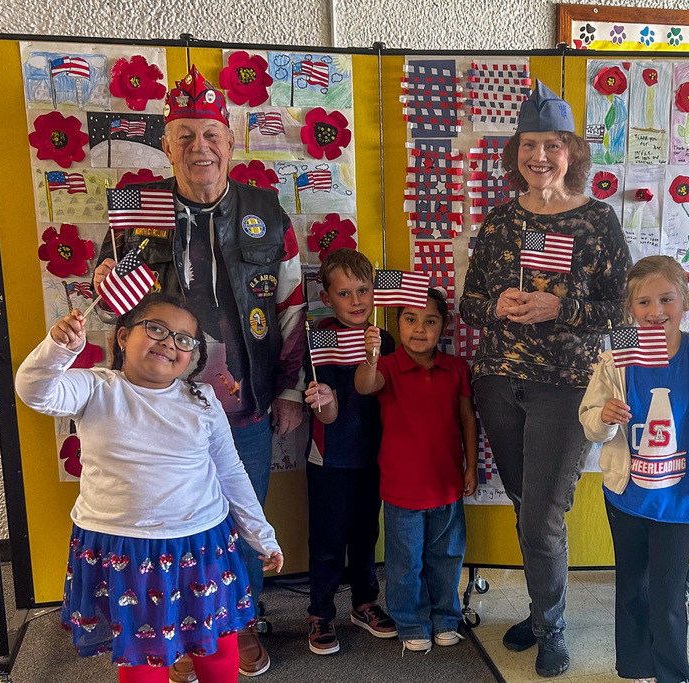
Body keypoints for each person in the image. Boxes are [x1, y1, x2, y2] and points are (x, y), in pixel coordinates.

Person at [92, 65, 306, 679]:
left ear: (230, 141)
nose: (198, 147)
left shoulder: (267, 209)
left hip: (244, 406)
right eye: (183, 136)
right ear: (165, 145)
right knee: (165, 529)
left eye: (209, 134)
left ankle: (234, 631)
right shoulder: (136, 206)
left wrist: (290, 388)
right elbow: (112, 308)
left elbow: (291, 307)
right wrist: (103, 286)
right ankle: (174, 637)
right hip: (152, 412)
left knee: (240, 519)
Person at [14, 294, 284, 683]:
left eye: (183, 339)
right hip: (125, 547)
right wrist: (58, 348)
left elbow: (231, 473)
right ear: (123, 337)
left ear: (192, 355)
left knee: (218, 645)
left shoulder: (203, 399)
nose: (169, 342)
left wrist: (263, 535)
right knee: (141, 656)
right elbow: (33, 389)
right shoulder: (94, 387)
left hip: (200, 541)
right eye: (155, 329)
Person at [460, 80, 631, 677]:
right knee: (523, 502)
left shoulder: (598, 221)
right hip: (499, 383)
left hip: (567, 386)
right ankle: (540, 609)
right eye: (528, 145)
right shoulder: (501, 222)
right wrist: (497, 305)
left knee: (541, 516)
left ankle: (551, 627)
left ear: (571, 152)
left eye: (552, 145)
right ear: (515, 155)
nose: (539, 157)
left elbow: (625, 311)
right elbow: (468, 304)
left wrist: (563, 310)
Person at [579, 255, 689, 683]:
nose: (655, 311)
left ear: (685, 300)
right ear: (630, 310)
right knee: (632, 587)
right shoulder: (618, 359)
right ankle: (634, 669)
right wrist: (604, 416)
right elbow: (590, 419)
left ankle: (671, 673)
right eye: (643, 303)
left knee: (668, 593)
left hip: (680, 498)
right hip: (628, 494)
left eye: (666, 299)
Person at [354, 288, 477, 653]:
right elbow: (365, 385)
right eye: (410, 319)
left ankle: (446, 617)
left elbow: (468, 419)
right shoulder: (389, 366)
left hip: (447, 485)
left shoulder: (456, 368)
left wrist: (471, 467)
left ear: (444, 327)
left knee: (446, 558)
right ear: (396, 323)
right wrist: (372, 357)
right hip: (401, 489)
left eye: (430, 321)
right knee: (404, 563)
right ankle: (410, 621)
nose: (419, 329)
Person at [301, 249, 397, 655]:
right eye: (345, 293)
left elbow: (374, 389)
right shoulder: (319, 338)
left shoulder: (385, 338)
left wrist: (374, 354)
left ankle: (364, 602)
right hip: (331, 456)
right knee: (327, 538)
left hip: (374, 455)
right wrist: (323, 398)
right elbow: (327, 415)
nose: (357, 301)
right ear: (327, 297)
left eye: (364, 290)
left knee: (365, 534)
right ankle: (321, 611)